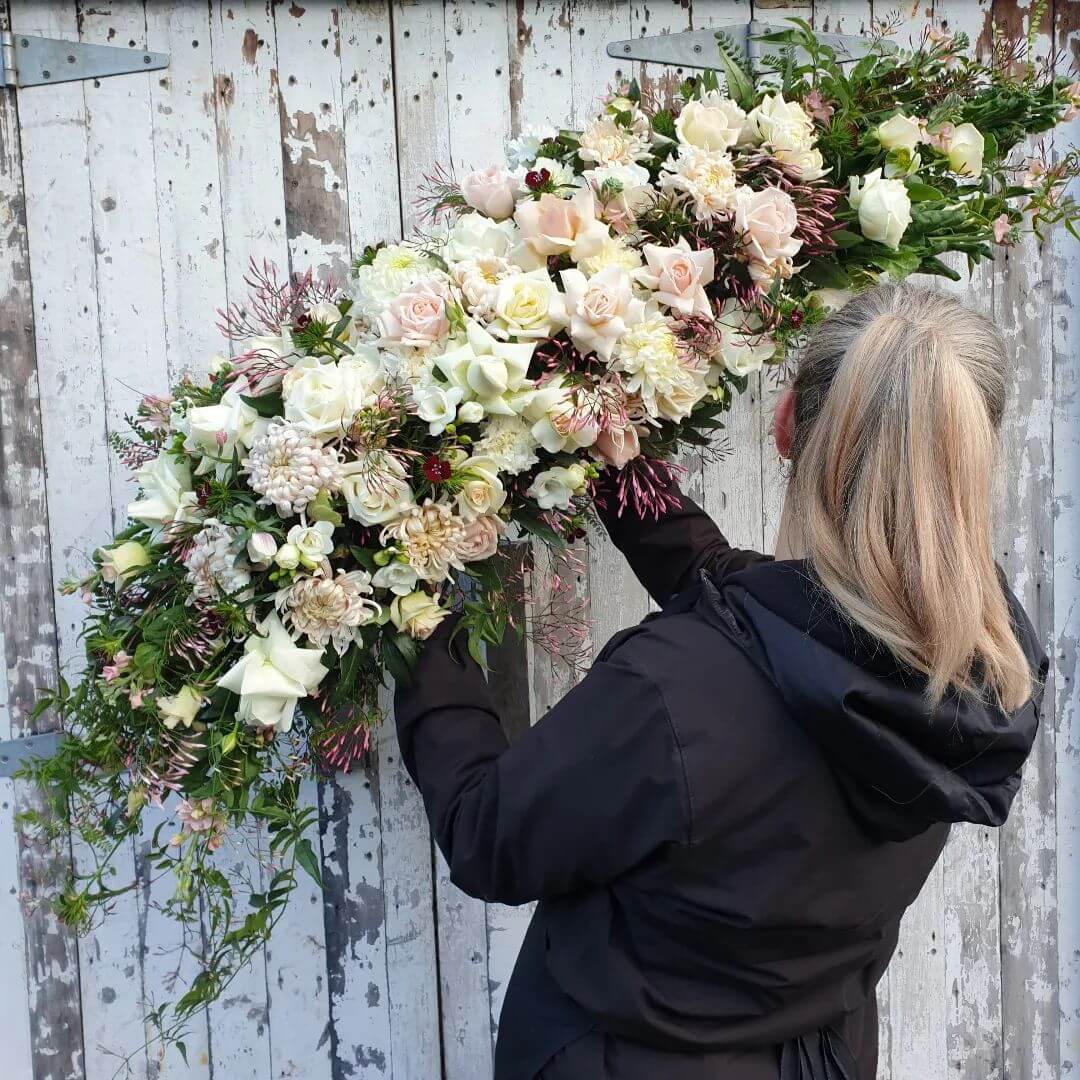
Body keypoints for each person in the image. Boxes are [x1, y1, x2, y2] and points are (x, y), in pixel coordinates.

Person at [393, 282, 1048, 1080]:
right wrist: (625, 479)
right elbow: (771, 624)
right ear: (972, 454)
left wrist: (418, 615)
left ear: (783, 427)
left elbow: (488, 834)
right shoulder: (989, 665)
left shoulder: (674, 693)